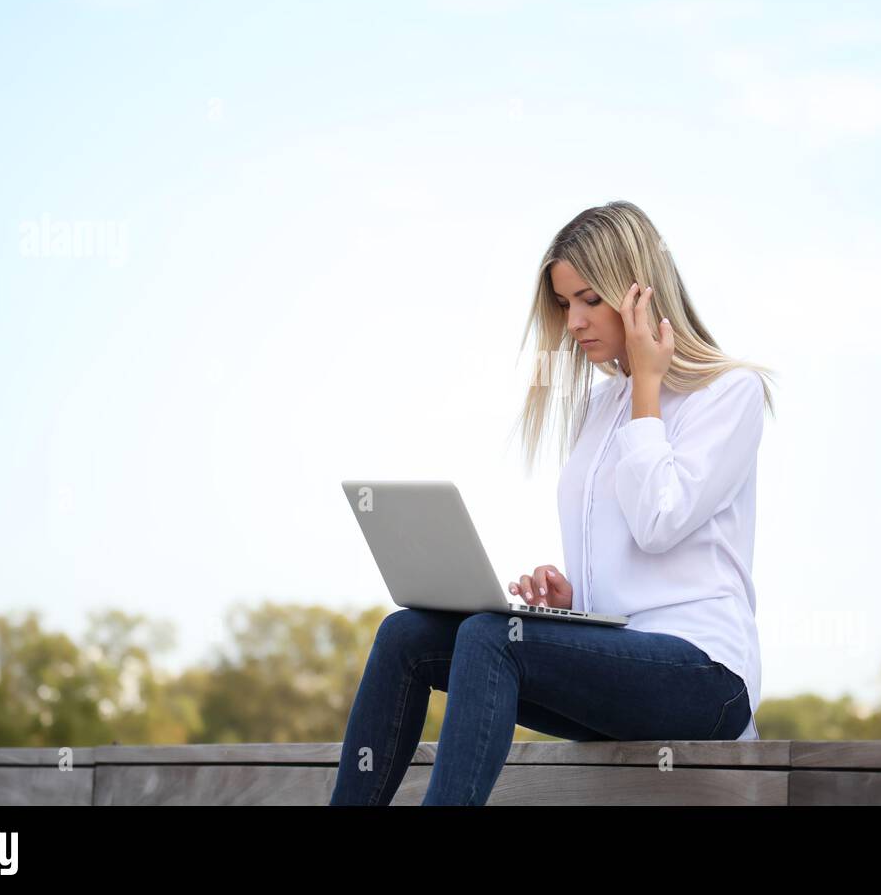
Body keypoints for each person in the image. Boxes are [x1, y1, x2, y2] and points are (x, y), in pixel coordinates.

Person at [329, 200, 777, 806]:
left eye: (590, 299)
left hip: (707, 681)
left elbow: (658, 523)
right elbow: (634, 565)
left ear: (639, 292)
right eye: (566, 304)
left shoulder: (728, 392)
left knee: (494, 636)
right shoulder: (602, 407)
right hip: (627, 669)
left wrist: (647, 382)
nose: (573, 322)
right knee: (407, 635)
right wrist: (578, 607)